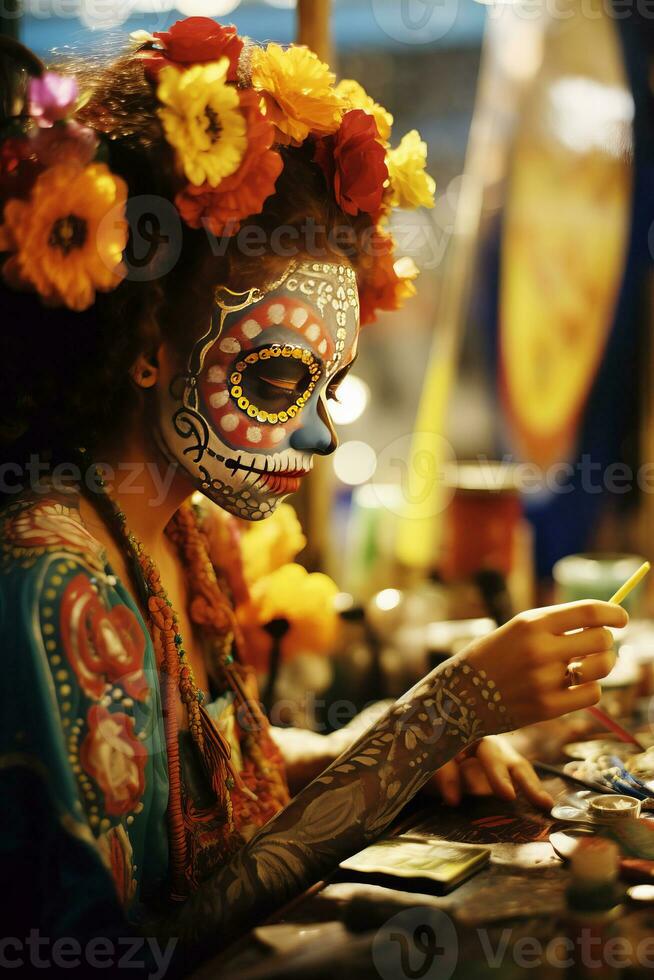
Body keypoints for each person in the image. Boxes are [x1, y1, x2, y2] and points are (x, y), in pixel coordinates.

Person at [0, 19, 626, 974]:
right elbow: (131, 953)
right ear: (145, 343)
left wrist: (399, 744)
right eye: (280, 380)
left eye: (329, 390)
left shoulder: (182, 527)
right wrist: (437, 717)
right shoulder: (54, 577)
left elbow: (217, 798)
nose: (322, 435)